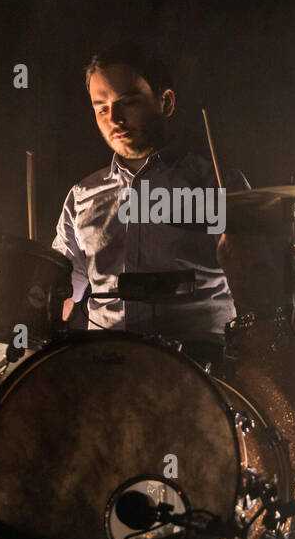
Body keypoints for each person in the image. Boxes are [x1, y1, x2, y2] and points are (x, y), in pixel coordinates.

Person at [52, 43, 279, 364]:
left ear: (166, 102)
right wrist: (43, 297)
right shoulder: (82, 194)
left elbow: (266, 297)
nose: (114, 118)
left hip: (201, 366)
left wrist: (245, 270)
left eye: (128, 102)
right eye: (101, 107)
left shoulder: (218, 184)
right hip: (105, 366)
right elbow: (61, 292)